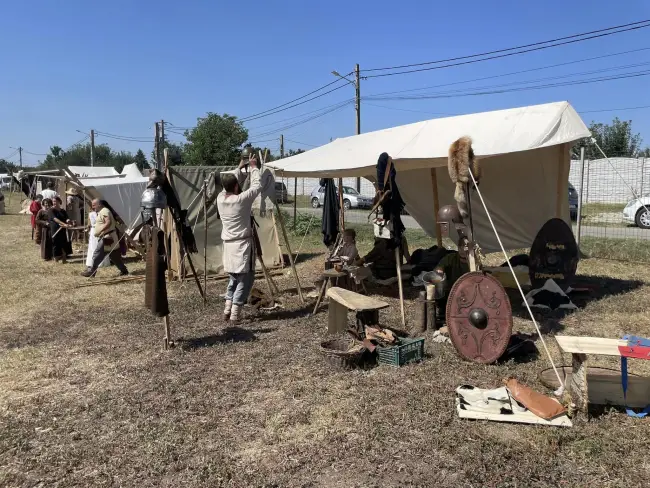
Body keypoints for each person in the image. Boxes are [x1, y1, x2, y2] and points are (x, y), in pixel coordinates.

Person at [217, 154, 270, 323]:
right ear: (235, 186)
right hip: (242, 246)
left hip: (229, 246)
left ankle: (227, 310)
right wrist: (253, 166)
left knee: (233, 278)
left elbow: (229, 183)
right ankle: (234, 314)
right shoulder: (240, 200)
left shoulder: (220, 199)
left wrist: (239, 167)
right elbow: (257, 185)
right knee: (245, 280)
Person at [81, 199, 129, 277]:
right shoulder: (103, 211)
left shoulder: (104, 211)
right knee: (115, 257)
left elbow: (108, 222)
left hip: (107, 237)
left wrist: (100, 230)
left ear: (99, 204)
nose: (92, 207)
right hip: (109, 237)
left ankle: (91, 271)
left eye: (94, 205)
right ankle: (124, 271)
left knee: (97, 254)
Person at [434, 236, 470, 322]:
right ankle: (441, 309)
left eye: (465, 246)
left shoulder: (474, 261)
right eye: (460, 246)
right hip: (451, 290)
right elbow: (439, 268)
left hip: (468, 292)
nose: (463, 249)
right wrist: (440, 272)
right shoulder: (451, 258)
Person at [48, 196, 72, 263]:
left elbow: (67, 217)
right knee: (56, 242)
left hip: (63, 229)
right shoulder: (51, 210)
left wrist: (68, 221)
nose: (54, 202)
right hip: (55, 228)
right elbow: (55, 219)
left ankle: (64, 258)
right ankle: (56, 258)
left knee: (64, 242)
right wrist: (63, 224)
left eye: (55, 201)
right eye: (53, 201)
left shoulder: (62, 210)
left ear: (59, 201)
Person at [85, 205, 109, 270]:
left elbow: (88, 224)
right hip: (97, 229)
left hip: (96, 230)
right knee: (97, 246)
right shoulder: (99, 213)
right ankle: (98, 262)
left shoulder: (94, 214)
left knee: (96, 246)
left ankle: (94, 262)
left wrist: (87, 228)